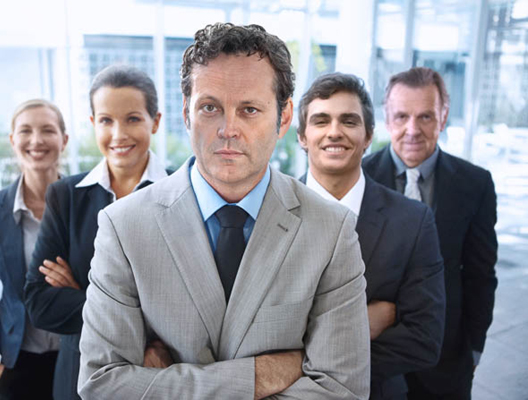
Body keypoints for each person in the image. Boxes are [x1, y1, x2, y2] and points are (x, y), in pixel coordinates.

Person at [78, 22, 370, 399]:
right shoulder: (124, 226)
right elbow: (102, 385)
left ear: (283, 118)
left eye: (249, 109)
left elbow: (342, 390)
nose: (227, 129)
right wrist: (261, 375)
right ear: (186, 113)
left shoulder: (331, 231)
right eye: (210, 107)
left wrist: (165, 384)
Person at [297, 72, 446, 399]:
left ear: (368, 136)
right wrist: (361, 323)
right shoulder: (267, 211)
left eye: (349, 121)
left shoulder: (413, 221)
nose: (334, 132)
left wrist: (299, 362)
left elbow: (424, 340)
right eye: (321, 121)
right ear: (302, 136)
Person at [24, 65, 168, 400]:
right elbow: (40, 302)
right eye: (106, 120)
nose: (118, 134)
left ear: (155, 121)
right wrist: (142, 326)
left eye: (132, 118)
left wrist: (83, 292)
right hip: (81, 377)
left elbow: (191, 309)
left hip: (158, 375)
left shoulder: (183, 194)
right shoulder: (66, 196)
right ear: (93, 124)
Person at [363, 66, 498, 399]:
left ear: (444, 116)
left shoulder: (475, 184)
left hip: (446, 358)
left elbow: (480, 275)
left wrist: (474, 349)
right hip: (372, 356)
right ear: (386, 117)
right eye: (401, 116)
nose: (412, 130)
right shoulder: (358, 178)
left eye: (425, 117)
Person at [0, 99, 68, 399]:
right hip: (19, 361)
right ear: (13, 141)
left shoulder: (85, 202)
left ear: (64, 139)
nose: (36, 140)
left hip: (79, 355)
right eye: (25, 131)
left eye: (47, 130)